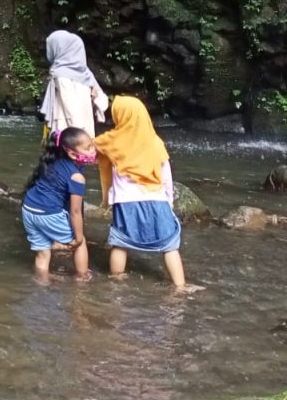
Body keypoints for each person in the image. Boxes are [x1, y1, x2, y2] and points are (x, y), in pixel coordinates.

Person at [94, 95, 187, 288]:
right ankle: (180, 287)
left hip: (125, 202)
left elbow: (89, 148)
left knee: (120, 242)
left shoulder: (112, 141)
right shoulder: (155, 142)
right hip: (156, 199)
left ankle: (116, 283)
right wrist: (168, 202)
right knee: (170, 244)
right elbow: (166, 176)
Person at [21, 127, 95, 283]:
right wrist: (79, 238)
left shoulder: (52, 160)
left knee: (43, 253)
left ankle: (42, 283)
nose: (93, 150)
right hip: (48, 213)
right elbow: (75, 212)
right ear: (73, 154)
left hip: (28, 209)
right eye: (88, 148)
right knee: (80, 244)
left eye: (92, 145)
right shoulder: (77, 177)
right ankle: (82, 280)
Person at [39, 30, 109, 137]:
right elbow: (103, 102)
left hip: (69, 132)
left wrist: (78, 135)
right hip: (86, 129)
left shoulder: (60, 75)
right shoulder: (86, 74)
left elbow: (69, 107)